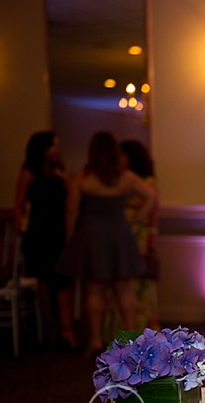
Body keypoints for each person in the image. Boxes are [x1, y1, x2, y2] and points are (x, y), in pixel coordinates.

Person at [57, 132, 158, 356]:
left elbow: (72, 211)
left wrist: (70, 238)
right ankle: (131, 341)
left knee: (94, 290)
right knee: (125, 290)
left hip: (92, 234)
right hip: (120, 233)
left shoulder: (82, 178)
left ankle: (95, 340)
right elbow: (151, 197)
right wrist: (136, 218)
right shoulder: (126, 178)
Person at [13, 131, 77, 349]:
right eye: (53, 146)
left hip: (60, 231)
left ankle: (67, 329)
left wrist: (65, 180)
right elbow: (19, 205)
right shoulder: (30, 173)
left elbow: (72, 199)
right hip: (39, 233)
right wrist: (19, 231)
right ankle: (50, 328)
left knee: (63, 279)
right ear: (41, 149)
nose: (57, 150)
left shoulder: (61, 173)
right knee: (44, 280)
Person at [102, 139, 160, 337]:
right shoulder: (122, 179)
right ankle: (119, 330)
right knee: (119, 283)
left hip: (138, 235)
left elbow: (153, 209)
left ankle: (140, 329)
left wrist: (143, 226)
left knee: (137, 282)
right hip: (121, 234)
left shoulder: (143, 181)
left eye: (122, 155)